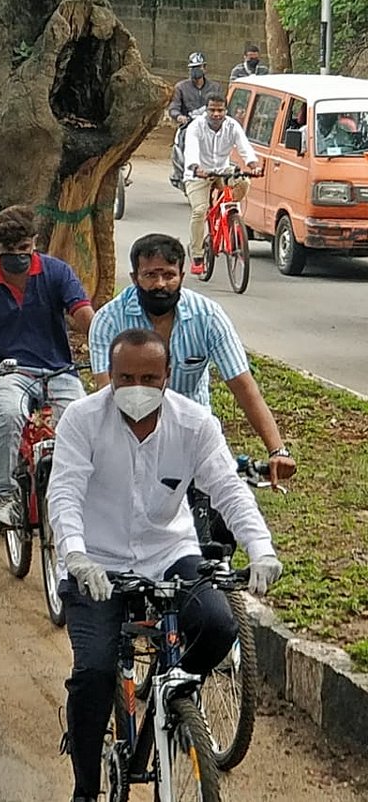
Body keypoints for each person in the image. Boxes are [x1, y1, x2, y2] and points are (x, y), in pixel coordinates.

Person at [47, 328, 282, 802]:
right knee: (92, 673)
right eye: (125, 377)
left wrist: (261, 547)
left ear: (168, 376)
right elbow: (65, 491)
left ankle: (169, 692)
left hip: (169, 553)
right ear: (108, 377)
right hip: (96, 561)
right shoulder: (82, 419)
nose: (137, 387)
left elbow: (228, 488)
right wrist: (74, 552)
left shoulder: (194, 423)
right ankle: (85, 789)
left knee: (218, 625)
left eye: (149, 377)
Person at [89, 233, 296, 489]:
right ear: (134, 278)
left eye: (168, 275)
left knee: (224, 515)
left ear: (182, 277)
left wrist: (278, 450)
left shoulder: (208, 316)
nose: (160, 284)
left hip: (194, 435)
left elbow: (243, 386)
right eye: (150, 275)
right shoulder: (108, 320)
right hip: (131, 434)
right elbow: (105, 392)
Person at [0, 205, 95, 529]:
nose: (16, 256)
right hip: (8, 371)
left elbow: (85, 315)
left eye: (23, 249)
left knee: (83, 418)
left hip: (59, 370)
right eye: (8, 251)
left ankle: (85, 493)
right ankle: (1, 496)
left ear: (34, 243)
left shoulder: (56, 272)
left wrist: (107, 341)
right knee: (6, 412)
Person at [181, 93, 261, 275]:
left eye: (220, 110)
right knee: (200, 211)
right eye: (212, 110)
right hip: (198, 174)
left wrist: (253, 165)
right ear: (206, 110)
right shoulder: (196, 127)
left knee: (243, 181)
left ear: (226, 110)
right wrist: (197, 168)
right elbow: (191, 151)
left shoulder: (232, 126)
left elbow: (245, 148)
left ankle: (228, 213)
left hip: (222, 171)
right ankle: (198, 254)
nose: (216, 114)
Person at [168, 52, 222, 127]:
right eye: (193, 68)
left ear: (205, 68)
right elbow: (173, 108)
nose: (195, 70)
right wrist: (179, 116)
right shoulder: (180, 87)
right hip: (188, 125)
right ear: (189, 69)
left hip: (210, 126)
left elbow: (221, 107)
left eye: (198, 67)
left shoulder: (215, 87)